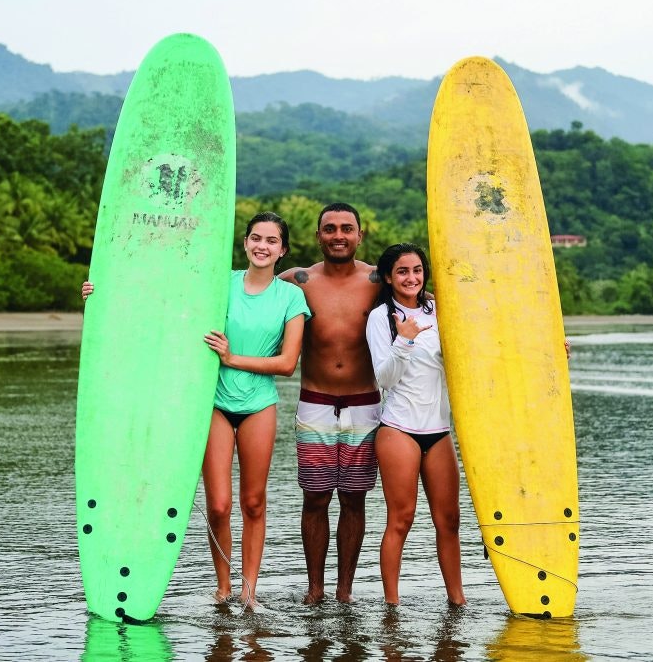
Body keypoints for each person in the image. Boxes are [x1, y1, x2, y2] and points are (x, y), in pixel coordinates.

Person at [82, 212, 310, 608]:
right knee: (219, 504)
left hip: (259, 405)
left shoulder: (291, 298)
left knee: (253, 502)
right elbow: (162, 302)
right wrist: (101, 293)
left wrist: (231, 357)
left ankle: (249, 591)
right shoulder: (220, 283)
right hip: (214, 403)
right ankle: (223, 587)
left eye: (271, 241)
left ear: (283, 250)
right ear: (244, 242)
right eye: (256, 238)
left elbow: (288, 363)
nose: (262, 246)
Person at [278, 203, 381, 604]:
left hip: (365, 403)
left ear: (360, 235)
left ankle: (345, 591)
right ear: (318, 235)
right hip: (315, 402)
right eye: (330, 229)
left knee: (354, 498)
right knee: (316, 497)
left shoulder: (379, 279)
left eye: (347, 229)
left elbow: (437, 306)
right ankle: (315, 589)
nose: (338, 235)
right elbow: (238, 292)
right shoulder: (295, 281)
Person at [365, 242, 466, 606]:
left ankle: (458, 601)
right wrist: (404, 341)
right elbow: (385, 378)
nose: (412, 277)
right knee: (401, 518)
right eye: (403, 271)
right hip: (399, 430)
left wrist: (549, 347)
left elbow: (485, 347)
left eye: (417, 270)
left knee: (449, 520)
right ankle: (392, 605)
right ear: (390, 277)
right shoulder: (381, 318)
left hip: (438, 430)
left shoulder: (440, 310)